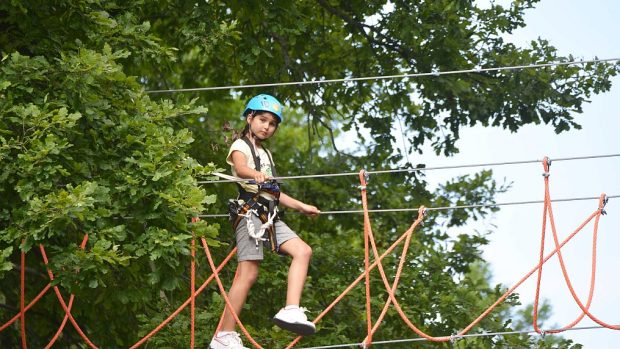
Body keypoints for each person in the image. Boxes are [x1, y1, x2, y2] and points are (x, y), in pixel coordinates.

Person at [210, 94, 321, 349]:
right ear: (250, 118)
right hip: (249, 214)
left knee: (303, 251)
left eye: (272, 123)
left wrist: (301, 206)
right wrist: (255, 174)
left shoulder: (266, 154)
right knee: (248, 273)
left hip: (269, 216)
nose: (266, 127)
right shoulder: (241, 146)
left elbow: (274, 193)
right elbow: (240, 169)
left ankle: (291, 309)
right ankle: (224, 336)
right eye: (262, 120)